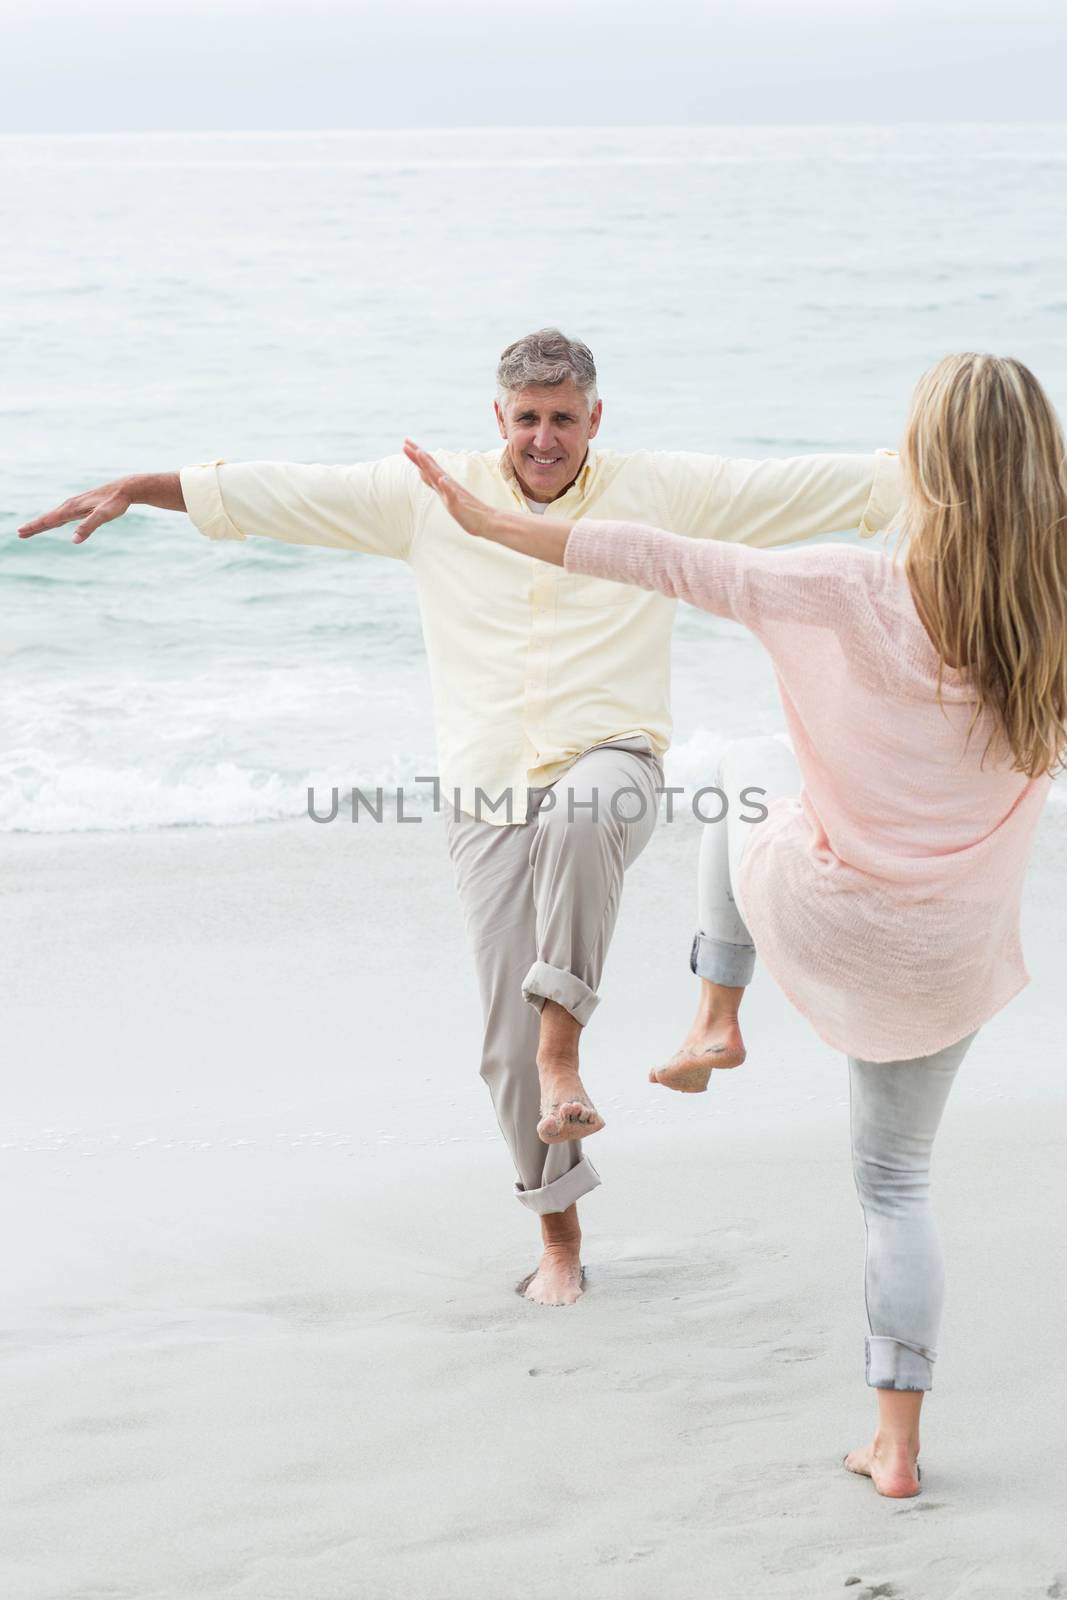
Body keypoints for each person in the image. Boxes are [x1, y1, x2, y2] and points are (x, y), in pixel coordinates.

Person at [17, 329, 900, 1307]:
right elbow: (283, 494)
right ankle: (558, 1236)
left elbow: (814, 488)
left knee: (579, 817)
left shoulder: (659, 492)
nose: (543, 438)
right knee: (500, 1044)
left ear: (594, 419)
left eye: (563, 418)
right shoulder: (427, 498)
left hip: (612, 768)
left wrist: (983, 468)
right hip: (482, 796)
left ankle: (565, 1049)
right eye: (526, 418)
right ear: (499, 419)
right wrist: (141, 488)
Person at [402, 349, 1067, 1494]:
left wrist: (489, 523)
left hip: (819, 908)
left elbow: (660, 556)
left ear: (922, 464)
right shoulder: (1049, 617)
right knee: (897, 1188)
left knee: (736, 770)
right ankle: (896, 1446)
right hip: (950, 951)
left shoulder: (852, 587)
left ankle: (717, 1011)